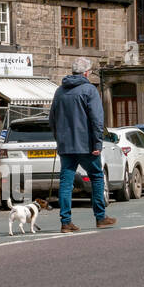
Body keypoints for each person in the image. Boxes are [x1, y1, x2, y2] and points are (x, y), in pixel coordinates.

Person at [50, 58, 116, 232]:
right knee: (96, 176)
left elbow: (52, 120)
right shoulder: (89, 90)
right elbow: (97, 120)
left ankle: (65, 222)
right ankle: (100, 217)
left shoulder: (59, 92)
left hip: (66, 146)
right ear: (86, 73)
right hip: (86, 144)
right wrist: (97, 143)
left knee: (66, 183)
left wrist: (60, 140)